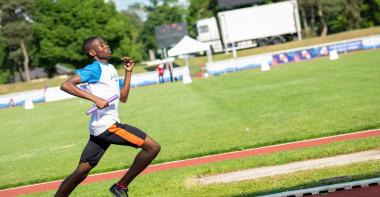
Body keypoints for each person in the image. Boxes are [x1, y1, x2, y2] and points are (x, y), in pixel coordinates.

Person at [55, 36, 161, 197]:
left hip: (99, 128)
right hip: (107, 126)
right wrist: (95, 99)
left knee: (81, 172)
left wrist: (128, 73)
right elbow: (66, 85)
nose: (107, 46)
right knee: (152, 148)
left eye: (105, 43)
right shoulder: (94, 68)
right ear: (92, 52)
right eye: (101, 45)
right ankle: (121, 186)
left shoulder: (110, 68)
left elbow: (123, 97)